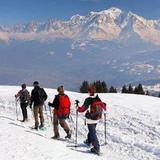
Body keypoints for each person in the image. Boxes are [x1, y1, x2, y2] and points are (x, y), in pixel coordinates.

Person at [77, 85, 106, 155]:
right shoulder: (98, 98)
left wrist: (77, 107)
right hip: (97, 118)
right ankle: (88, 141)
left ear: (89, 92)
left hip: (91, 119)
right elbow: (104, 107)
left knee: (93, 133)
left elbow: (82, 109)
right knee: (92, 130)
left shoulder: (88, 99)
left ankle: (96, 147)